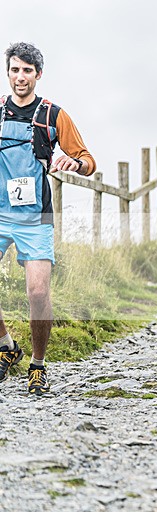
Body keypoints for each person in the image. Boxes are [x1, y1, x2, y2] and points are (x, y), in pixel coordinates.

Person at [0, 43, 96, 394]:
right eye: (14, 70)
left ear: (38, 75)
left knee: (38, 293)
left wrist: (76, 164)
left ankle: (37, 365)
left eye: (27, 70)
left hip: (35, 218)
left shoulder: (53, 115)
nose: (20, 77)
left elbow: (86, 159)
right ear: (8, 72)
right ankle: (8, 347)